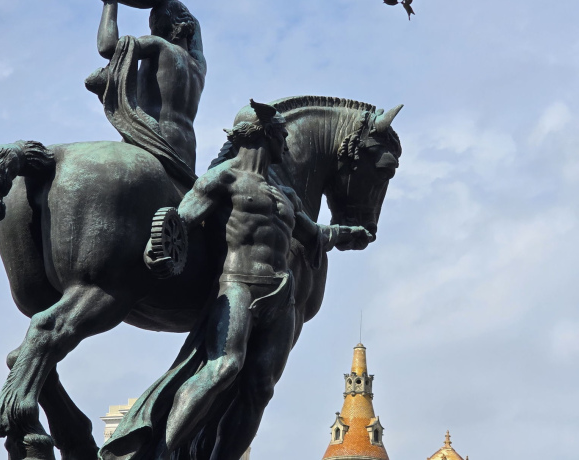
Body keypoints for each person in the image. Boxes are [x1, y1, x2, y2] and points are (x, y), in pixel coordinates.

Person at [144, 100, 372, 458]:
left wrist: (347, 233)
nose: (287, 144)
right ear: (265, 135)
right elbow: (183, 219)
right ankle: (161, 452)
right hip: (239, 285)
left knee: (260, 389)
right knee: (223, 367)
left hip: (282, 294)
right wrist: (157, 245)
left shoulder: (286, 195)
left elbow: (313, 234)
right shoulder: (224, 178)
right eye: (282, 136)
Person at [86, 0, 207, 187]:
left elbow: (107, 47)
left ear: (157, 25)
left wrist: (110, 3)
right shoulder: (199, 65)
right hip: (186, 151)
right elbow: (195, 26)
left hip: (151, 137)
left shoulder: (158, 46)